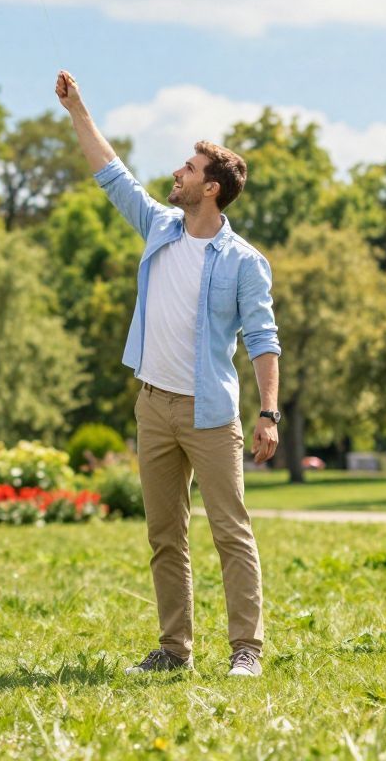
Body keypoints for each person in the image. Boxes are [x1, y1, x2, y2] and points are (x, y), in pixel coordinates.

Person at [55, 70, 281, 678]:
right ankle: (175, 650)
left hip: (209, 414)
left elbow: (263, 339)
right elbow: (112, 174)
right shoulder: (159, 227)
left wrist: (268, 412)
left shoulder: (243, 264)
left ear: (210, 188)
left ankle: (246, 651)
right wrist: (80, 110)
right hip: (153, 406)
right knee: (165, 535)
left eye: (187, 168)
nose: (176, 173)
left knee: (230, 533)